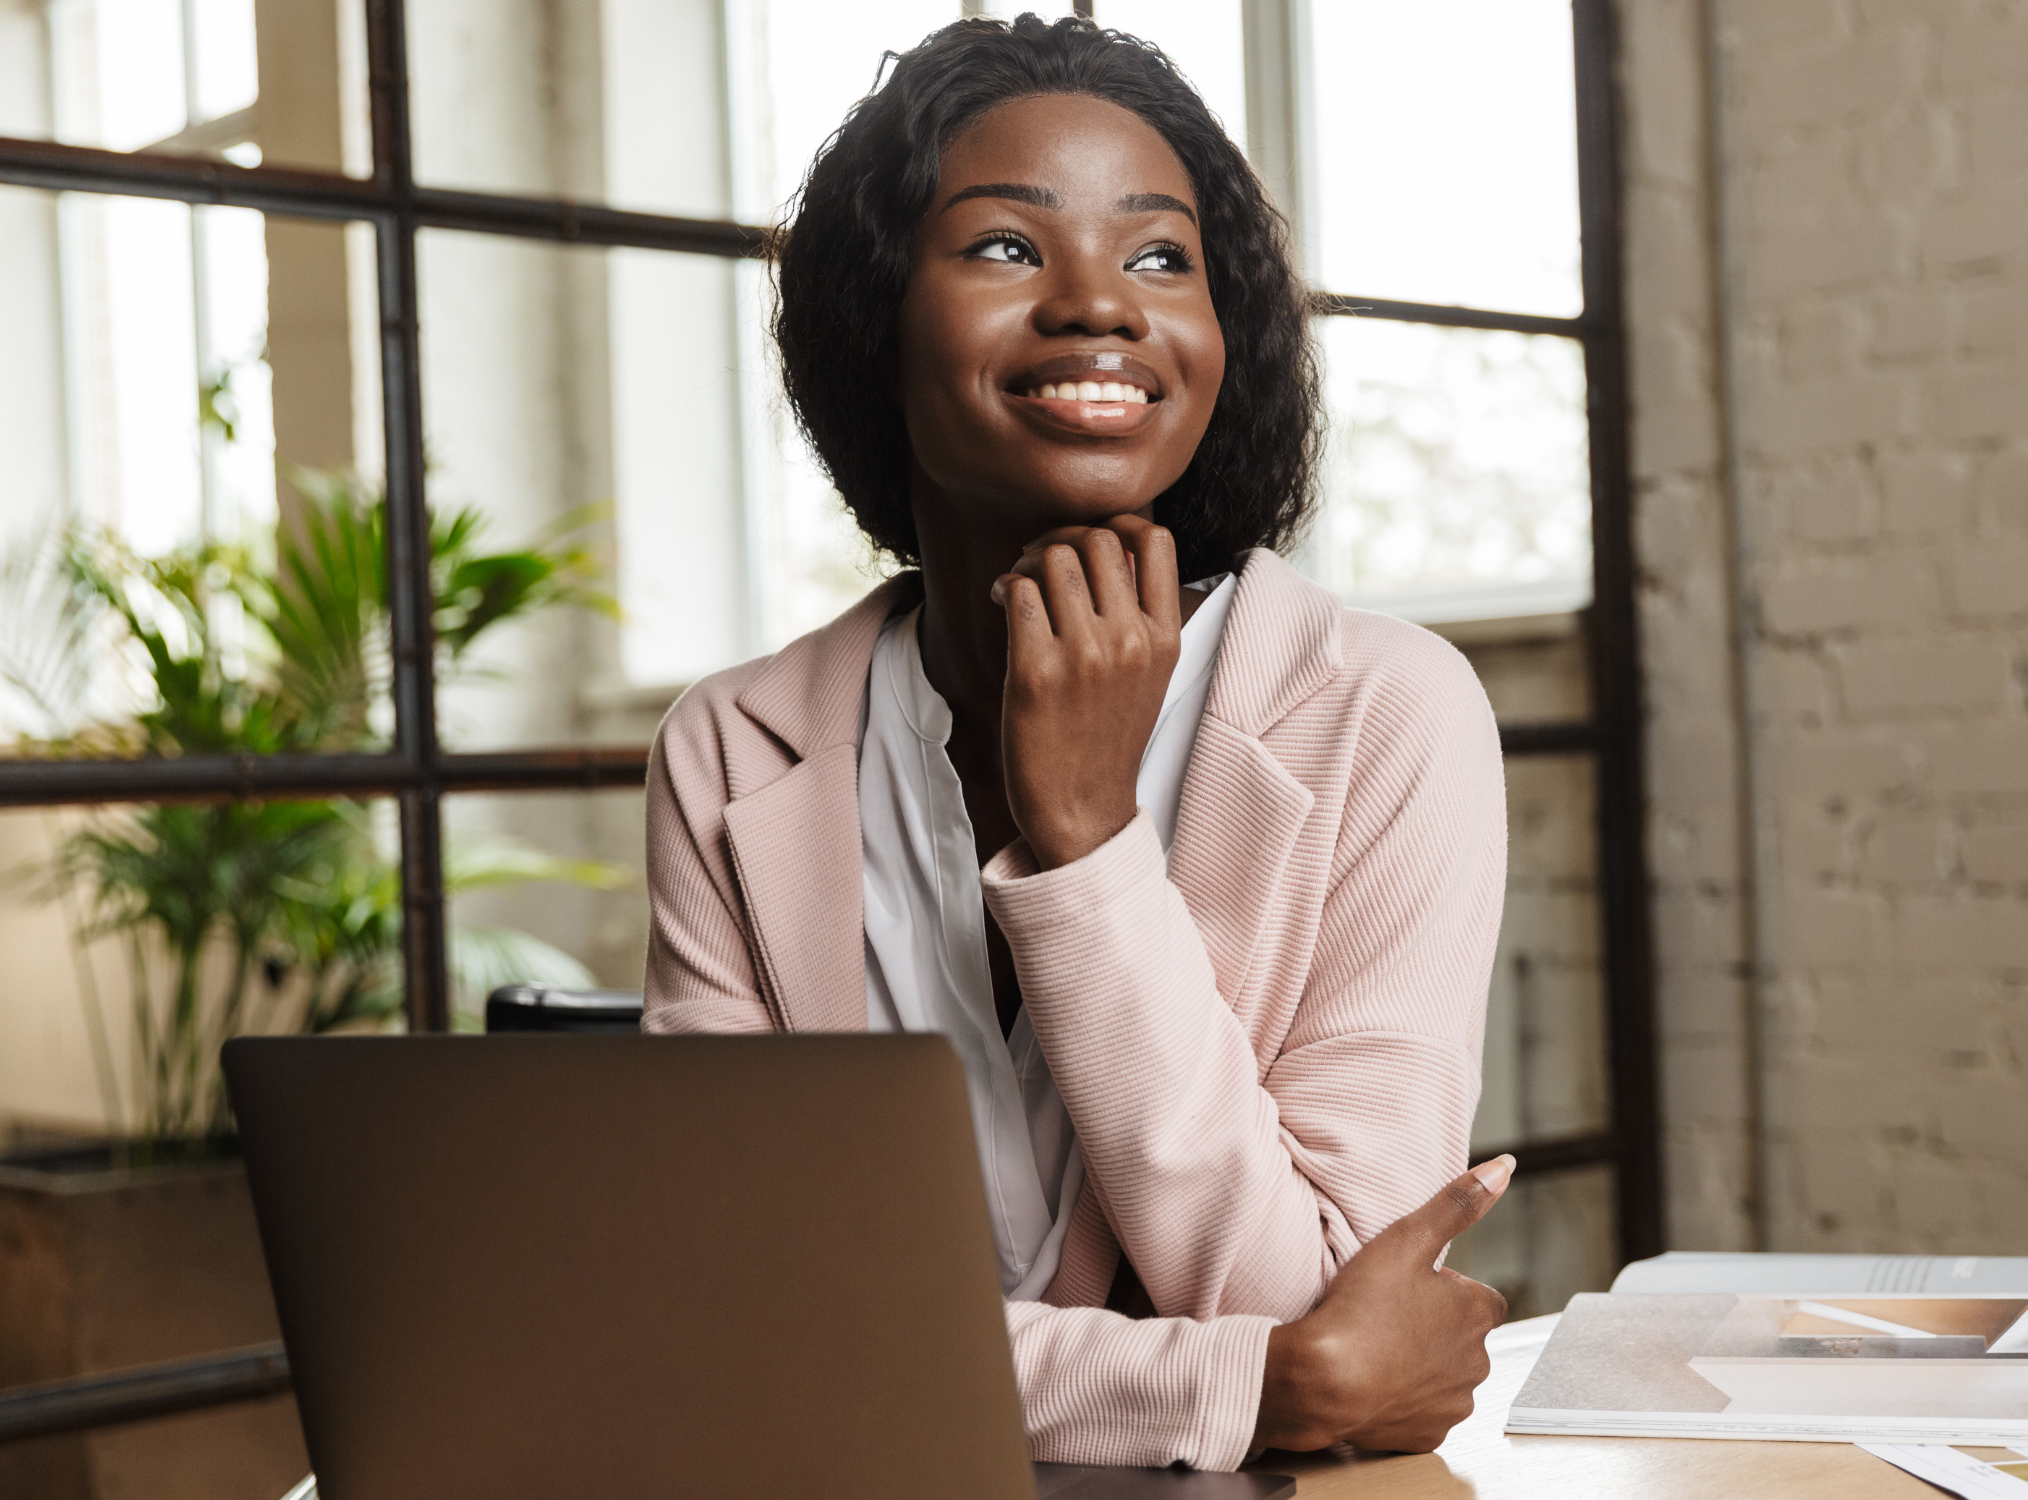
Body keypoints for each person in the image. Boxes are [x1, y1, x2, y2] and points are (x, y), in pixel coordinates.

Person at [642, 13, 1511, 1469]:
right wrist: (1233, 1389)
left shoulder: (1386, 710)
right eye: (1004, 247)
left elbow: (1325, 1302)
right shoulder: (737, 747)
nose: (1100, 304)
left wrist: (1090, 845)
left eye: (1162, 257)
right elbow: (736, 1313)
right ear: (875, 314)